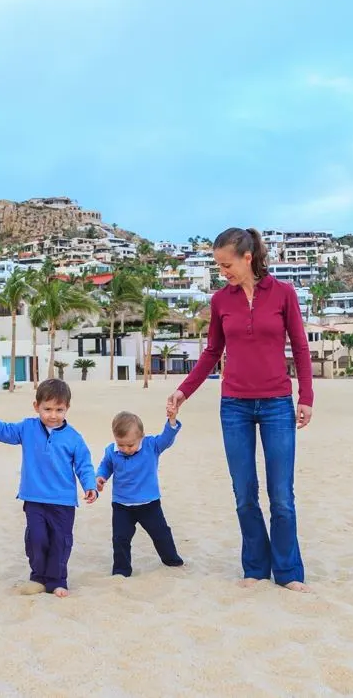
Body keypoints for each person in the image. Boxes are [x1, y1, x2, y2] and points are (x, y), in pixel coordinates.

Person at [167, 227, 313, 593]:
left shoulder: (283, 293)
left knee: (281, 495)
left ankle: (289, 572)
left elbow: (300, 348)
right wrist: (184, 391)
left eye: (226, 264)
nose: (223, 272)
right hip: (234, 406)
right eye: (218, 266)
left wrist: (305, 396)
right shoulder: (220, 301)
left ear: (248, 257)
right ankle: (255, 568)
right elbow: (212, 352)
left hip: (278, 404)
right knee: (244, 492)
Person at [0, 378, 97, 597]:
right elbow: (4, 431)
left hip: (63, 501)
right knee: (36, 538)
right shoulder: (27, 428)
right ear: (36, 406)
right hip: (34, 498)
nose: (53, 415)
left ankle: (57, 580)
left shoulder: (74, 438)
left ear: (67, 408)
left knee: (61, 541)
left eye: (59, 409)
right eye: (47, 409)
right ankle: (38, 577)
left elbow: (84, 464)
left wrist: (89, 485)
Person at [96, 408, 184, 578]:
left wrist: (172, 421)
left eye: (130, 445)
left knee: (161, 533)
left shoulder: (152, 445)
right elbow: (106, 465)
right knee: (120, 539)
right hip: (122, 505)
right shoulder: (112, 451)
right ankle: (121, 570)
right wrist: (100, 477)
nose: (126, 449)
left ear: (141, 436)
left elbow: (167, 438)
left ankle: (171, 560)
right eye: (121, 444)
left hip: (149, 504)